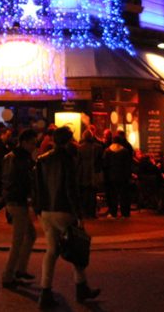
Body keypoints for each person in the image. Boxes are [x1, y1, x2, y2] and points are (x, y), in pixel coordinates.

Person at [33, 126, 99, 309]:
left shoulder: (41, 160)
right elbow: (71, 189)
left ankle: (45, 292)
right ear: (68, 140)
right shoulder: (68, 160)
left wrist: (38, 209)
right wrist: (78, 214)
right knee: (77, 248)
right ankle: (81, 287)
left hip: (46, 211)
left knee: (51, 251)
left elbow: (37, 187)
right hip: (64, 209)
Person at [1, 129, 38, 289]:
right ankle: (8, 275)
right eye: (32, 143)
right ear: (24, 142)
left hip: (18, 201)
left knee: (30, 235)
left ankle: (20, 270)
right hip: (17, 202)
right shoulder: (18, 159)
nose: (34, 146)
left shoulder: (20, 157)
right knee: (18, 241)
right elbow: (15, 182)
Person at [102, 130, 133, 218]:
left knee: (113, 195)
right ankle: (125, 213)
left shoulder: (107, 151)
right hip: (123, 176)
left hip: (111, 176)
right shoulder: (125, 151)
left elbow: (105, 164)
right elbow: (127, 165)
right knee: (124, 195)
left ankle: (113, 212)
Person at [76, 130, 100, 219]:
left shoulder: (80, 148)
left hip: (83, 172)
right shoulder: (97, 148)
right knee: (93, 193)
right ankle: (92, 212)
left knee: (84, 193)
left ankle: (85, 212)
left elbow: (78, 162)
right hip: (93, 172)